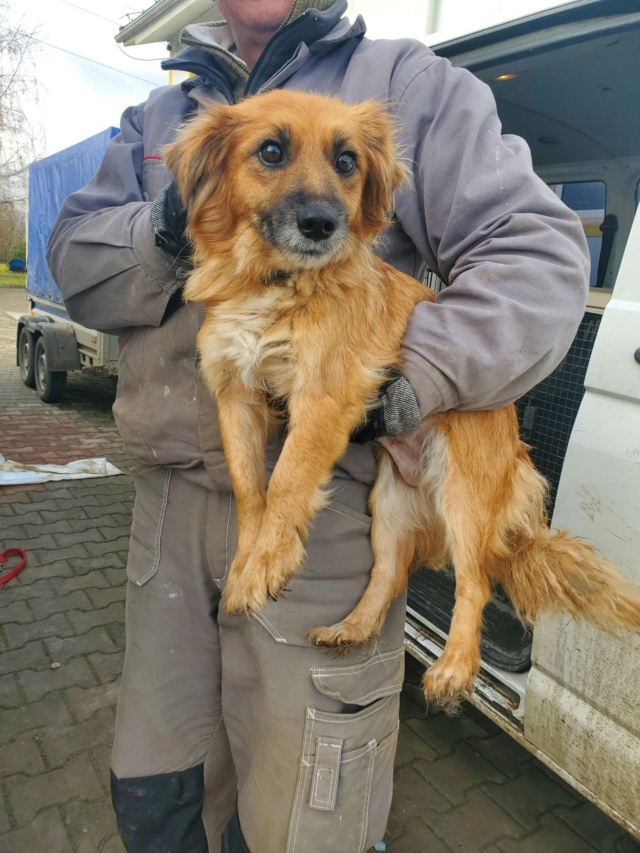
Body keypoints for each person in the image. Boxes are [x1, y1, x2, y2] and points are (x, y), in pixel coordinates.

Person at [47, 1, 589, 851]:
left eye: (339, 164)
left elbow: (541, 260)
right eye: (272, 155)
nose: (317, 187)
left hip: (332, 510)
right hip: (168, 526)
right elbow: (76, 265)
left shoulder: (407, 85)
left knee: (308, 818)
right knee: (160, 794)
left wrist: (404, 381)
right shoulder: (159, 115)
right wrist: (166, 220)